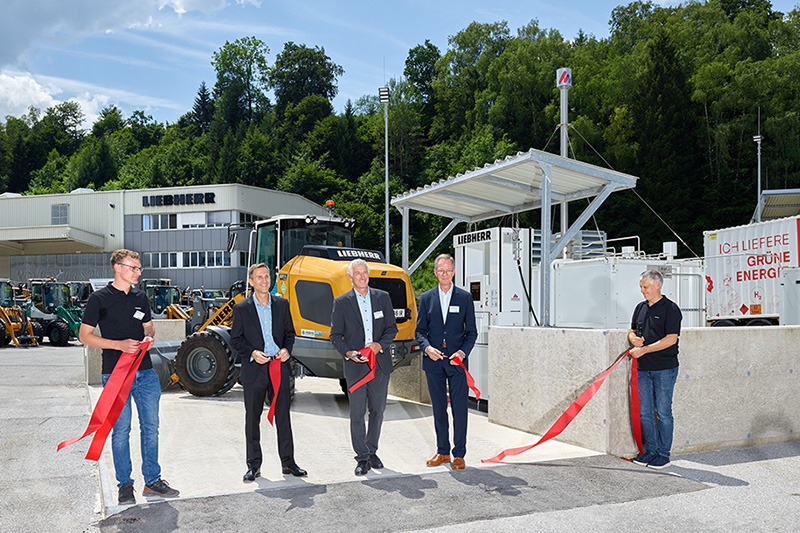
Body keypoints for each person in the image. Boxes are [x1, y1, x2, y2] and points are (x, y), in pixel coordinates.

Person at [79, 249, 180, 505]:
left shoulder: (140, 297)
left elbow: (148, 326)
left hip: (145, 372)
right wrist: (119, 345)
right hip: (115, 373)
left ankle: (153, 481)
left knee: (151, 428)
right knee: (121, 430)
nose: (138, 272)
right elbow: (85, 336)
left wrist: (149, 335)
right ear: (118, 268)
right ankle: (125, 484)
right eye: (133, 268)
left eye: (139, 268)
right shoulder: (99, 299)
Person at [230, 263, 307, 481]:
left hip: (278, 367)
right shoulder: (242, 309)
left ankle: (288, 463)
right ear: (251, 282)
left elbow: (290, 334)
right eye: (259, 277)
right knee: (252, 419)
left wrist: (286, 350)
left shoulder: (282, 305)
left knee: (284, 416)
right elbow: (236, 339)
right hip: (255, 369)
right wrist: (252, 352)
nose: (264, 280)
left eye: (267, 276)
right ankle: (253, 465)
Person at [330, 258, 398, 476]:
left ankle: (371, 450)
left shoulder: (382, 298)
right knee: (357, 412)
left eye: (365, 273)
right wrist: (349, 352)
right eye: (357, 273)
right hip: (356, 366)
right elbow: (335, 335)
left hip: (379, 364)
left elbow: (392, 329)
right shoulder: (341, 302)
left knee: (377, 410)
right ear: (350, 277)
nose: (362, 276)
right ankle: (361, 457)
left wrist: (379, 345)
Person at [415, 254, 477, 470]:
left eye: (448, 270)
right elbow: (419, 331)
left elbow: (471, 332)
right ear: (435, 273)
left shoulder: (465, 297)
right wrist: (427, 348)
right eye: (440, 270)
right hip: (434, 362)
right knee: (439, 408)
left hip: (456, 362)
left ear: (454, 272)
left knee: (459, 408)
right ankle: (442, 452)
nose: (444, 274)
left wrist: (462, 352)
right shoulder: (426, 298)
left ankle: (459, 454)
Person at [628, 270, 682, 470]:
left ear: (657, 285)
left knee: (664, 413)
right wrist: (634, 340)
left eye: (645, 287)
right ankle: (649, 451)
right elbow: (632, 331)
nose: (642, 291)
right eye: (641, 287)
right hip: (643, 369)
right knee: (645, 413)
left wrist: (646, 349)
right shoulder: (640, 308)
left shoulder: (671, 309)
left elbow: (671, 339)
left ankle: (663, 454)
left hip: (664, 369)